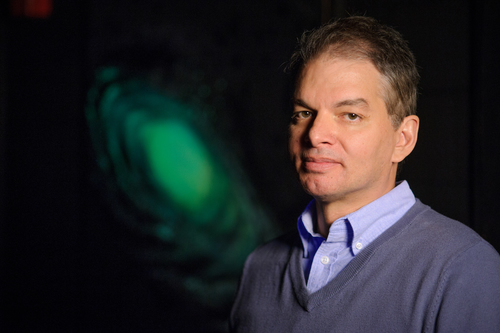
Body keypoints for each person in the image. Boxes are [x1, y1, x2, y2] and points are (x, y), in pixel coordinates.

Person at [229, 16, 500, 332]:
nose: (315, 135)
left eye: (350, 115)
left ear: (403, 138)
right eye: (304, 113)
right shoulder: (259, 268)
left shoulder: (463, 270)